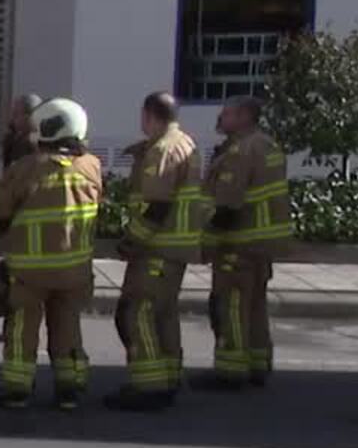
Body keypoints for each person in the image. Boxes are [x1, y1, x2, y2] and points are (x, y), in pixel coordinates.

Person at [0, 98, 103, 411]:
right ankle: (70, 390)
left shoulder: (25, 169)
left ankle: (18, 390)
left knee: (22, 329)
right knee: (68, 327)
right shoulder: (92, 166)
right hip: (75, 270)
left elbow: (0, 216)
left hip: (30, 272)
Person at [105, 92, 207, 412]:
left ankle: (149, 386)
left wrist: (131, 241)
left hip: (157, 248)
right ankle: (168, 377)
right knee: (163, 314)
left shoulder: (163, 150)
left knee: (138, 312)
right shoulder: (185, 143)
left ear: (149, 115)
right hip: (175, 248)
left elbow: (157, 205)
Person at [199, 94, 292, 390]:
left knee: (232, 307)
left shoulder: (239, 152)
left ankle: (231, 371)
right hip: (263, 245)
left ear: (243, 118)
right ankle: (258, 363)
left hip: (238, 244)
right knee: (255, 307)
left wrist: (206, 242)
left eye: (226, 114)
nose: (220, 118)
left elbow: (227, 205)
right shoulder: (269, 145)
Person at [0, 92, 44, 323]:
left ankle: (14, 321)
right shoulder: (16, 139)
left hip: (21, 217)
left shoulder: (29, 144)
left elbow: (16, 181)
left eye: (16, 113)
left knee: (15, 275)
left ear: (29, 116)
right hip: (15, 214)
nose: (12, 117)